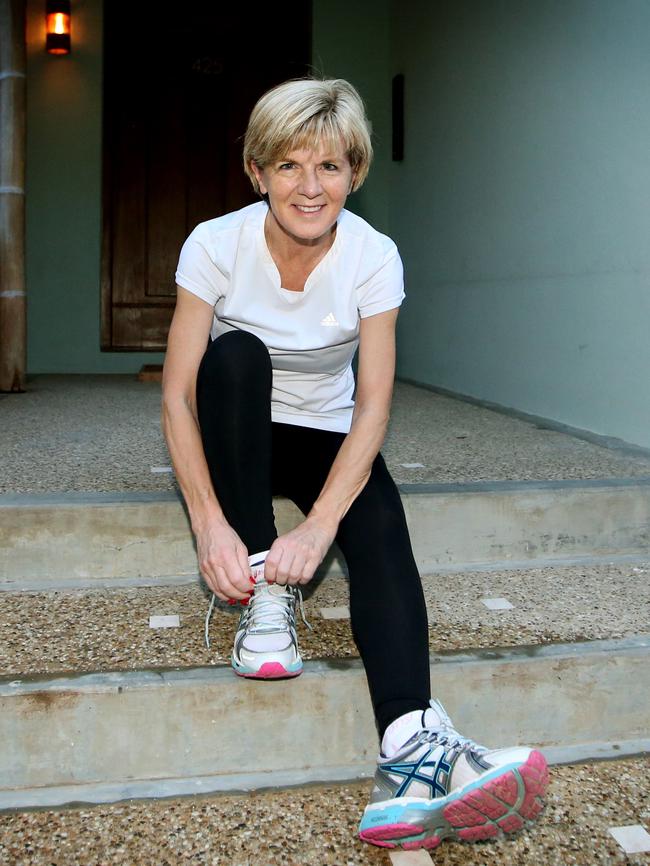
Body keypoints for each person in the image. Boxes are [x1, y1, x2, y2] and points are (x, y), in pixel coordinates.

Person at [161, 77, 549, 852]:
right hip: (237, 425)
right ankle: (264, 596)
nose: (310, 188)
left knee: (378, 522)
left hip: (326, 434)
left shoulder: (375, 255)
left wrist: (324, 523)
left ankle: (407, 745)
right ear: (257, 171)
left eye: (330, 167)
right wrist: (209, 524)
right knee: (233, 356)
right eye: (289, 166)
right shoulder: (213, 243)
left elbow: (373, 405)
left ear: (355, 172)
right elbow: (176, 396)